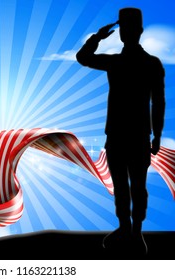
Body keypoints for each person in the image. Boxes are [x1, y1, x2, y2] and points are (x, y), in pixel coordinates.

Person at [76, 7, 166, 254]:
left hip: (130, 136)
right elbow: (82, 58)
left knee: (134, 186)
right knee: (127, 186)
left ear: (134, 31)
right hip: (123, 136)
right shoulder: (141, 63)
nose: (126, 32)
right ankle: (129, 230)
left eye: (128, 28)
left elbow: (159, 102)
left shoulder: (124, 63)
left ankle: (134, 232)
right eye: (124, 28)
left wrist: (98, 37)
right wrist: (156, 134)